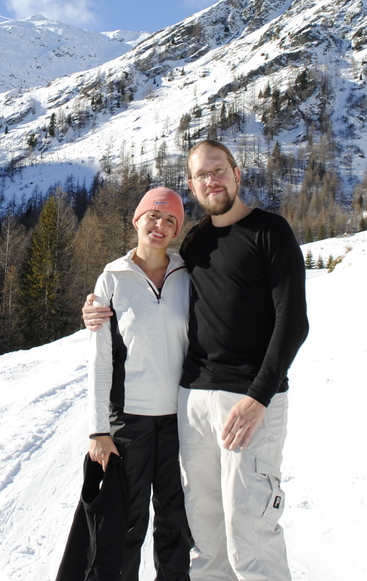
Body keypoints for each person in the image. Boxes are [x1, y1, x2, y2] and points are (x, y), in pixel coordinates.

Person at [84, 141, 309, 581]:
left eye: (218, 170)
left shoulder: (270, 231)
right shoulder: (195, 244)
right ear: (192, 186)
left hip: (246, 400)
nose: (212, 180)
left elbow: (293, 323)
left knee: (251, 535)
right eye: (202, 175)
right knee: (205, 542)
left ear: (237, 173)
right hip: (193, 403)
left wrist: (259, 397)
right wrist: (93, 309)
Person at [74, 187, 193, 581]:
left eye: (170, 220)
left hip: (179, 421)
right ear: (137, 220)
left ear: (177, 230)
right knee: (125, 526)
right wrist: (98, 430)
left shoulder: (187, 276)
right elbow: (99, 359)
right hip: (129, 422)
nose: (160, 226)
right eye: (153, 216)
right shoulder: (113, 278)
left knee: (176, 524)